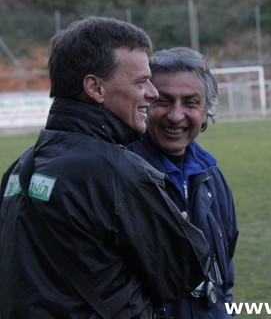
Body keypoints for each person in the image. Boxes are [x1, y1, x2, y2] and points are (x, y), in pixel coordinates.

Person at [0, 18, 212, 319]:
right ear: (95, 88)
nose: (152, 93)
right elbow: (183, 273)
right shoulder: (116, 172)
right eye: (141, 82)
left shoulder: (22, 166)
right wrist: (176, 225)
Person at [128, 47, 239, 319]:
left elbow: (225, 273)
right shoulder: (122, 177)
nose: (176, 116)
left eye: (191, 103)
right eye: (163, 101)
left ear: (205, 112)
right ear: (145, 101)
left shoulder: (212, 176)